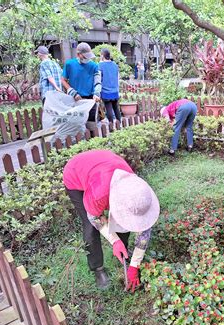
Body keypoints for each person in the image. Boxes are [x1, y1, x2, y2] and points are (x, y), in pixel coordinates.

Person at [63, 150, 160, 291]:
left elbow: (144, 230)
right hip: (76, 174)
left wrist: (134, 265)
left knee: (125, 220)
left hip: (104, 166)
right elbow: (94, 218)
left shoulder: (140, 192)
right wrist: (114, 241)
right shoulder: (99, 195)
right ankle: (98, 268)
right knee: (90, 227)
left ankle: (123, 252)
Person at [61, 42, 101, 122]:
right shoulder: (69, 64)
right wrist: (72, 92)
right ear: (78, 54)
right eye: (85, 56)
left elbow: (97, 81)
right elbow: (63, 80)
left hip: (90, 99)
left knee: (91, 124)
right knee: (76, 123)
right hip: (75, 99)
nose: (87, 58)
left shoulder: (94, 66)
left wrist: (97, 93)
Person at [98, 48, 121, 124]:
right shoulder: (115, 65)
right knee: (116, 108)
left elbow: (99, 78)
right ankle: (119, 124)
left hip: (105, 91)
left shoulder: (100, 65)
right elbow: (118, 78)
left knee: (109, 109)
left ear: (102, 56)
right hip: (115, 91)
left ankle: (111, 126)